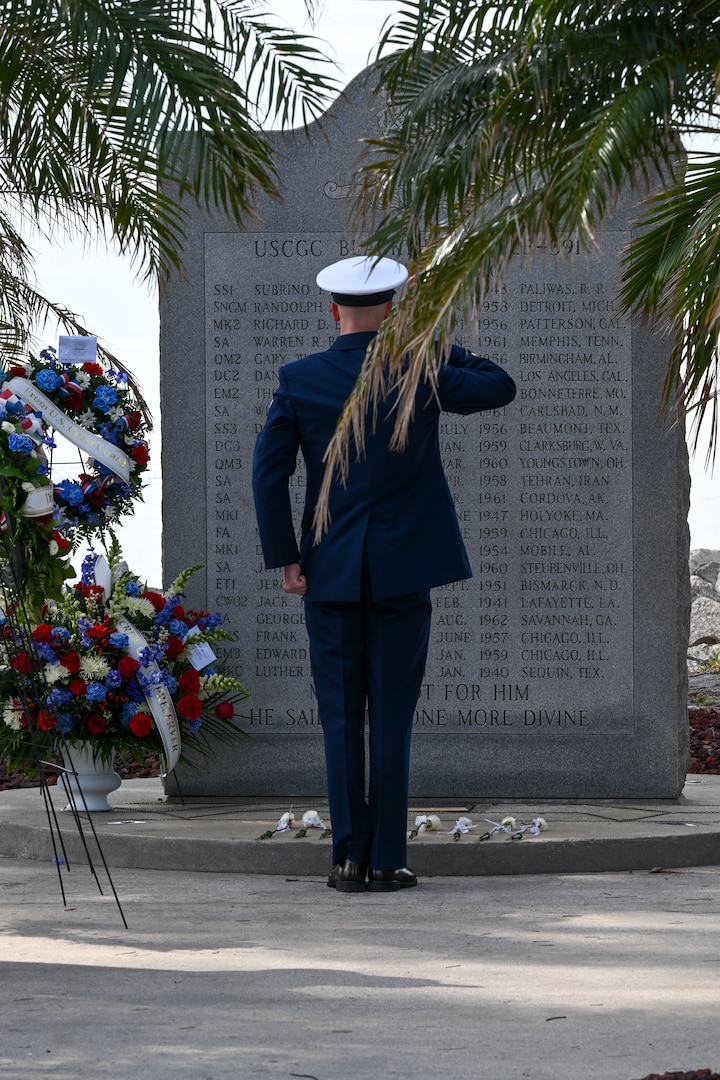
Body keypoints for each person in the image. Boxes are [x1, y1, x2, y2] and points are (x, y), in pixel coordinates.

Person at [252, 256, 516, 893]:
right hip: (402, 572)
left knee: (341, 717)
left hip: (330, 570)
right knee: (392, 718)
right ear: (394, 311)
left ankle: (346, 860)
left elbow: (268, 474)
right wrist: (429, 341)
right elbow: (498, 384)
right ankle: (387, 860)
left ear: (332, 311)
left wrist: (287, 556)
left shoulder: (299, 377)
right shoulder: (420, 370)